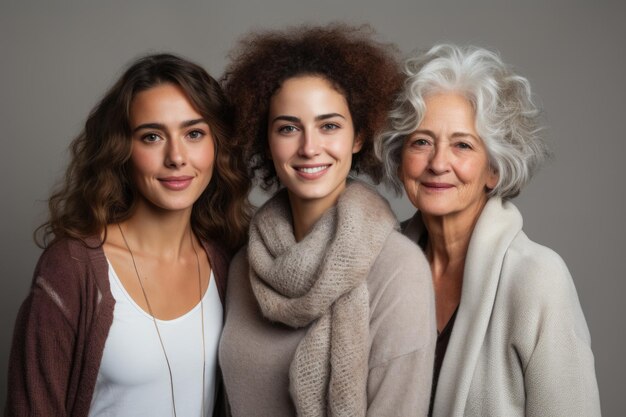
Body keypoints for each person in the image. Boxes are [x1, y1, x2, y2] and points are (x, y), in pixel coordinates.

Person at [5, 53, 251, 417]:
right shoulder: (73, 269)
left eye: (194, 133)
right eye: (152, 136)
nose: (177, 157)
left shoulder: (227, 260)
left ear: (217, 145)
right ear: (122, 150)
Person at [218, 24, 436, 416]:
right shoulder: (243, 267)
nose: (309, 147)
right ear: (266, 141)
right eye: (288, 128)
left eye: (329, 126)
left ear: (357, 137)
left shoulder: (398, 270)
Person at [376, 44, 601, 417]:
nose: (438, 163)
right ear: (401, 159)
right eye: (421, 142)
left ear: (494, 169)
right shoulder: (378, 266)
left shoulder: (538, 278)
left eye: (462, 145)